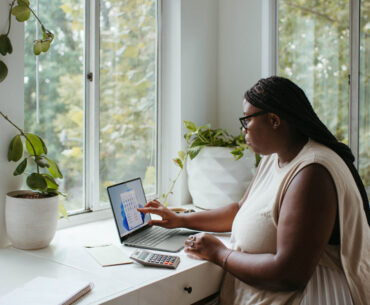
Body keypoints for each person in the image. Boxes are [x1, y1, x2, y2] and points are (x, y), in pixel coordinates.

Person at [138, 76, 370, 305]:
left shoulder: (312, 173)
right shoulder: (276, 157)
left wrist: (219, 254)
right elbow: (240, 209)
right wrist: (181, 220)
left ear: (274, 120)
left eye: (246, 120)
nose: (243, 130)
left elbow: (288, 274)